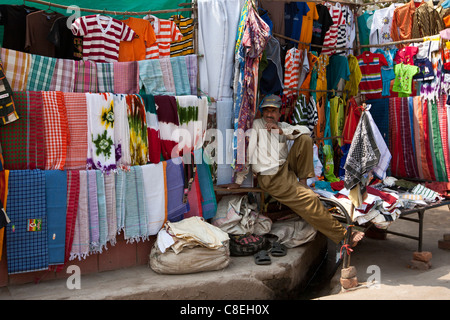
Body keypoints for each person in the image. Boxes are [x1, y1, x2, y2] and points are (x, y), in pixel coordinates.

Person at [224, 94, 363, 247]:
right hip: (271, 176)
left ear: (279, 113)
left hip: (286, 170)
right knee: (310, 200)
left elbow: (305, 130)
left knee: (305, 139)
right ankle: (344, 236)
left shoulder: (282, 126)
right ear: (262, 112)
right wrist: (238, 181)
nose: (269, 114)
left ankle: (303, 183)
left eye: (273, 111)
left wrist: (282, 132)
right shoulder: (257, 125)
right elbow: (247, 154)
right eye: (266, 111)